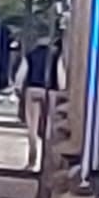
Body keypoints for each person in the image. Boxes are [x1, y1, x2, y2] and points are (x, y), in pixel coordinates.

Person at [15, 34, 64, 171]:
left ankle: (32, 159)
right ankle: (47, 161)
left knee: (32, 126)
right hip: (51, 92)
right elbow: (61, 78)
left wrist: (18, 89)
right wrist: (60, 91)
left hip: (33, 89)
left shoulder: (30, 55)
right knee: (49, 126)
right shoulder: (55, 56)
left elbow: (21, 75)